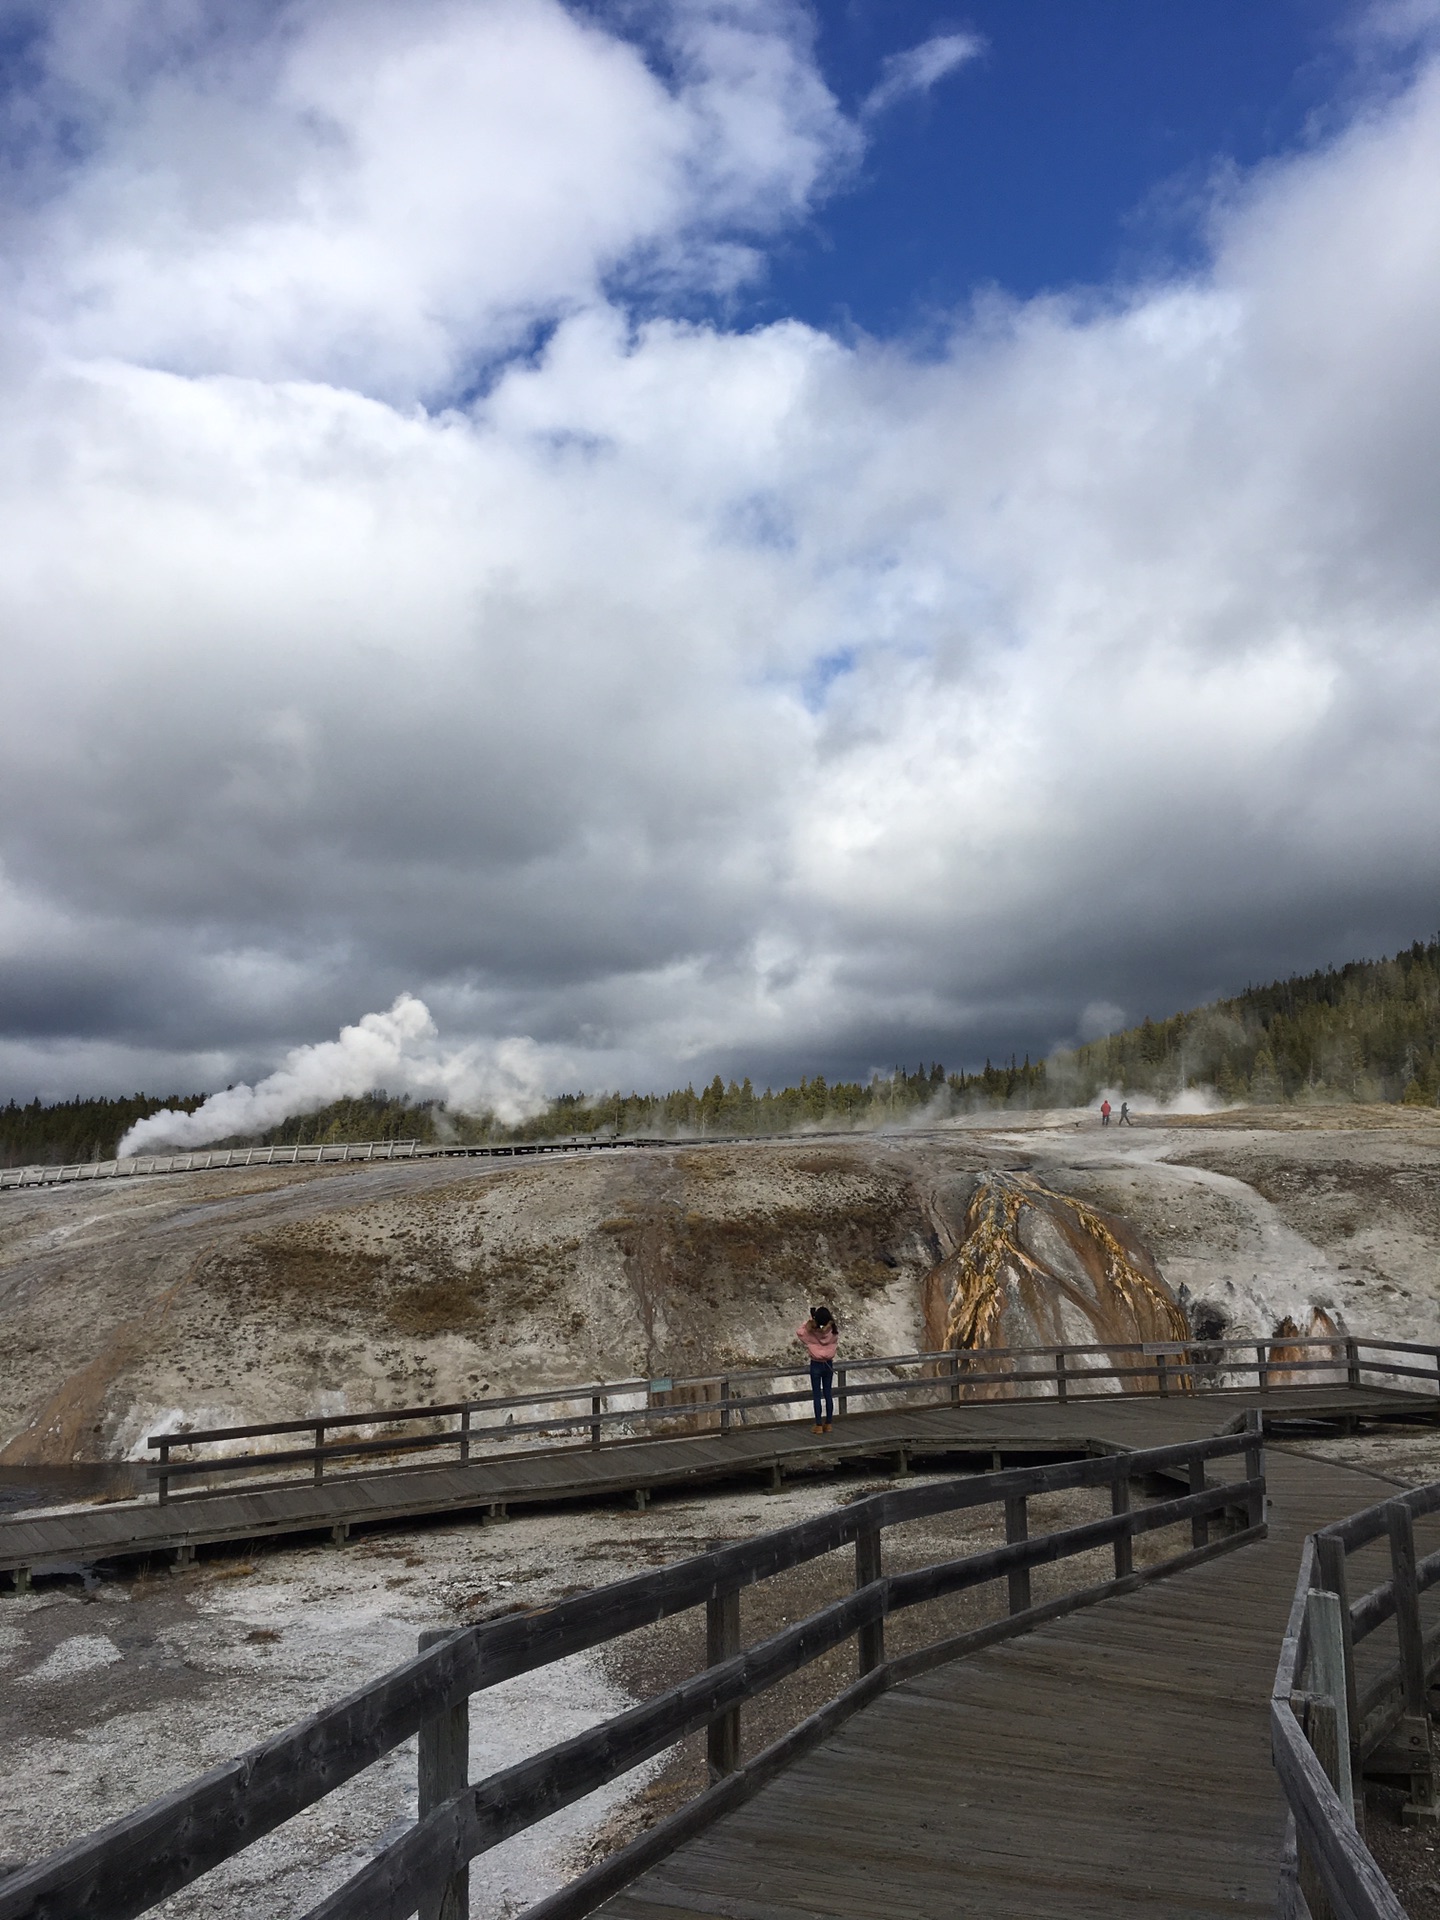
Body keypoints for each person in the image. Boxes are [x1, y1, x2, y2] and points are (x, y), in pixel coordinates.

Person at [797, 1306, 839, 1432]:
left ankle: (819, 1425)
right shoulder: (833, 1331)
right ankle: (829, 1424)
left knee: (817, 1395)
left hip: (816, 1364)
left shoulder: (811, 1333)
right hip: (828, 1364)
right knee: (828, 1394)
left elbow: (800, 1332)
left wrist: (810, 1321)